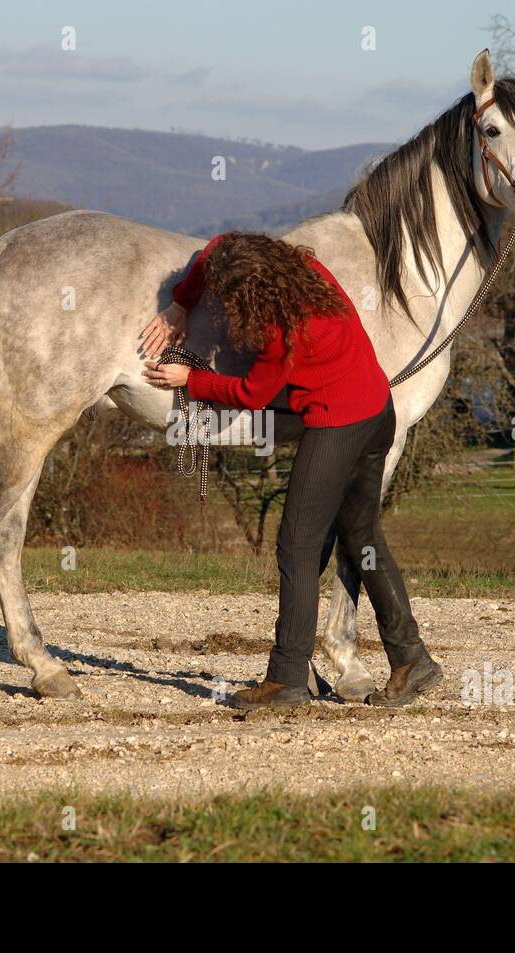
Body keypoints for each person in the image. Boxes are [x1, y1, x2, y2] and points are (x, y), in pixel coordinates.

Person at [141, 232, 442, 709]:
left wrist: (190, 380)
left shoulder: (282, 330)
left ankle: (286, 679)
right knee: (363, 537)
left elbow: (251, 395)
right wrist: (181, 304)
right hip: (378, 409)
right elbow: (218, 245)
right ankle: (411, 658)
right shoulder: (308, 273)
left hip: (339, 426)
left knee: (297, 545)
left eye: (230, 300)